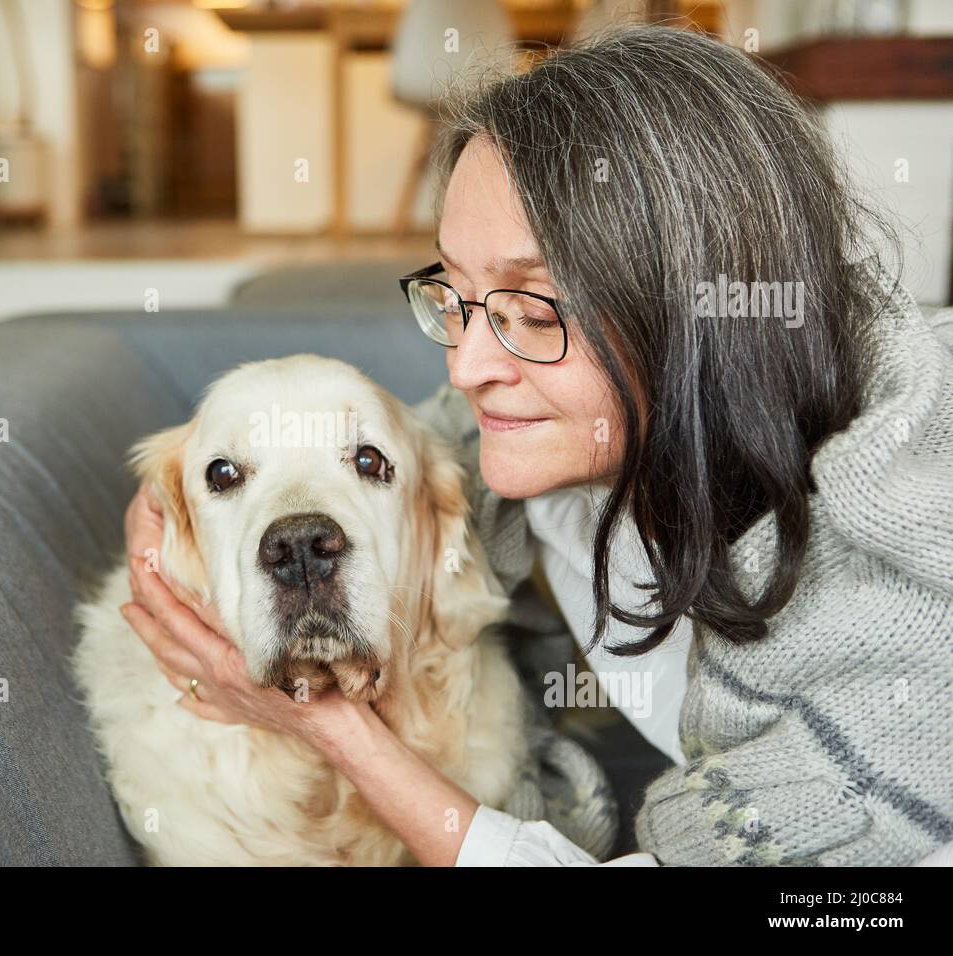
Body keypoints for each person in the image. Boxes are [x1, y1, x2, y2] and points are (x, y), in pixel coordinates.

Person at [118, 25, 953, 866]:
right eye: (460, 293)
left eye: (533, 306)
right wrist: (183, 504)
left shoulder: (911, 633)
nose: (467, 365)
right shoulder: (557, 454)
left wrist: (340, 736)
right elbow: (399, 456)